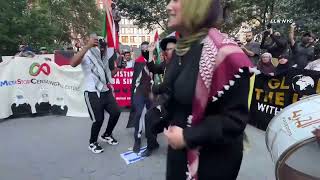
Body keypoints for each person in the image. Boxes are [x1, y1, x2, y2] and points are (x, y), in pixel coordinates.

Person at [160, 0, 252, 179]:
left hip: (211, 164)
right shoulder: (182, 48)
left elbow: (235, 121)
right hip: (179, 156)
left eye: (176, 0)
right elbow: (176, 95)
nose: (168, 6)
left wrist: (188, 136)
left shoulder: (227, 55)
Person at [70, 35, 121, 154]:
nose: (101, 45)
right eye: (98, 42)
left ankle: (107, 135)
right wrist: (87, 46)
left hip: (105, 91)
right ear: (91, 41)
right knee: (99, 120)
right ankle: (92, 142)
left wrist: (118, 68)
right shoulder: (85, 53)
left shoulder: (103, 57)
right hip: (92, 93)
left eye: (103, 43)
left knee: (116, 112)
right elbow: (72, 63)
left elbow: (108, 76)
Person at [140, 36, 177, 157]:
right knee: (149, 117)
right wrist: (150, 52)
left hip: (177, 104)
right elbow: (153, 68)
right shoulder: (166, 64)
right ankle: (152, 144)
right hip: (164, 101)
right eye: (168, 49)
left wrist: (155, 89)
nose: (169, 51)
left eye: (172, 48)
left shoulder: (183, 64)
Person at [126, 42, 153, 153]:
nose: (145, 50)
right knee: (139, 113)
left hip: (151, 91)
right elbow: (135, 79)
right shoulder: (138, 61)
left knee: (150, 114)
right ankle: (137, 138)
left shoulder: (153, 61)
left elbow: (155, 74)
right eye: (143, 49)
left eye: (147, 48)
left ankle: (150, 135)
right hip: (140, 91)